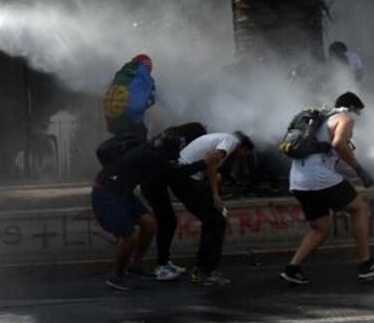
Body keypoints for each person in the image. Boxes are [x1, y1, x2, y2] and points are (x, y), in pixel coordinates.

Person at [281, 92, 374, 285]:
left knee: (320, 227)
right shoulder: (345, 118)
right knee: (358, 208)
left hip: (298, 180)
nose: (359, 116)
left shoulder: (323, 118)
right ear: (353, 107)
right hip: (318, 178)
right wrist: (360, 170)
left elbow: (327, 151)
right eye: (359, 111)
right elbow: (338, 144)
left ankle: (292, 269)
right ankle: (366, 264)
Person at [92, 131, 221, 291]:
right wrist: (204, 162)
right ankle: (117, 275)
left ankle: (135, 265)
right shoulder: (149, 156)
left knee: (149, 223)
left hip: (123, 193)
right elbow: (176, 172)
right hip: (106, 195)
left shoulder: (149, 150)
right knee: (130, 238)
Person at [146, 131, 255, 287]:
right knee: (216, 221)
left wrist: (212, 192)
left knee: (212, 220)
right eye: (245, 153)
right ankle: (204, 271)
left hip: (181, 176)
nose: (242, 156)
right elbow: (212, 160)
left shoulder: (219, 136)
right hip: (187, 178)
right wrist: (215, 194)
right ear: (242, 146)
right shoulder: (230, 141)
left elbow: (211, 165)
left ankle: (203, 268)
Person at [103, 53, 156, 141]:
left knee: (121, 133)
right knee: (142, 133)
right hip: (130, 115)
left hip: (111, 114)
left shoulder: (122, 72)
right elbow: (151, 97)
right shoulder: (144, 73)